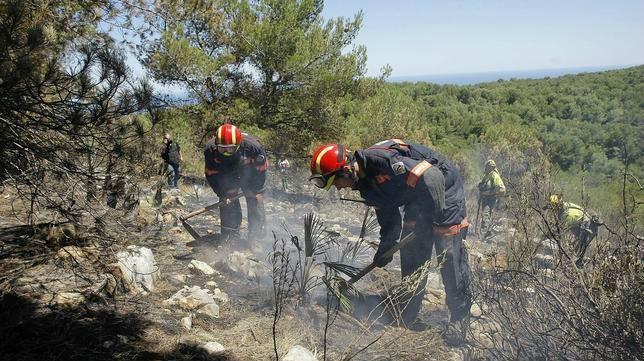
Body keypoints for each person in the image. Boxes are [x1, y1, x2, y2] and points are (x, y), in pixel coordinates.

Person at [309, 139, 472, 334]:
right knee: (412, 252)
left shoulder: (382, 161)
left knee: (449, 254)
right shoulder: (366, 187)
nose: (338, 188)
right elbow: (389, 217)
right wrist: (386, 247)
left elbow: (433, 177)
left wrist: (429, 218)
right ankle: (409, 314)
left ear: (346, 170)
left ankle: (460, 319)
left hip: (443, 188)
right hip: (416, 195)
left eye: (336, 182)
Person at [204, 123, 268, 241]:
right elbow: (211, 175)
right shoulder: (210, 150)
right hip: (226, 172)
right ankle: (230, 236)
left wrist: (255, 190)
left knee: (255, 198)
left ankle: (256, 237)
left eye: (230, 148)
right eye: (222, 148)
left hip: (251, 172)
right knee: (228, 200)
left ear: (238, 145)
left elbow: (261, 170)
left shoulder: (253, 147)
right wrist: (222, 193)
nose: (226, 152)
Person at [548, 194, 599, 267]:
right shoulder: (567, 204)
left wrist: (549, 235)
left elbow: (561, 231)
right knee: (577, 248)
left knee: (580, 251)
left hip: (588, 228)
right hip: (585, 225)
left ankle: (581, 267)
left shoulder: (566, 215)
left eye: (553, 208)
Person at [477, 159, 506, 240]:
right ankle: (488, 234)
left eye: (487, 166)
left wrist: (489, 193)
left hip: (490, 199)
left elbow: (500, 188)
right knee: (486, 216)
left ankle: (482, 236)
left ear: (491, 167)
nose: (485, 168)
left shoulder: (494, 176)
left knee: (485, 216)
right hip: (485, 199)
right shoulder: (487, 176)